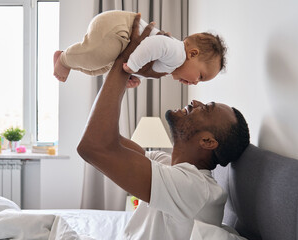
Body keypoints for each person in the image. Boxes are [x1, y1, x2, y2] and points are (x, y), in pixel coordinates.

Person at [77, 14, 250, 240]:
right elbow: (108, 139)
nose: (195, 101)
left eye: (206, 108)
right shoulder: (168, 164)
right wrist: (130, 71)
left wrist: (125, 63)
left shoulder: (196, 188)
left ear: (208, 142)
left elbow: (93, 146)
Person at [53, 10, 226, 88]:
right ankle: (64, 59)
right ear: (193, 53)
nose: (195, 83)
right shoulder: (177, 53)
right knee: (95, 57)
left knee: (99, 67)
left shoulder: (171, 65)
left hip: (120, 41)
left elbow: (148, 61)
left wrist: (133, 75)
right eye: (201, 76)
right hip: (120, 28)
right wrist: (133, 65)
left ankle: (68, 63)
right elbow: (153, 45)